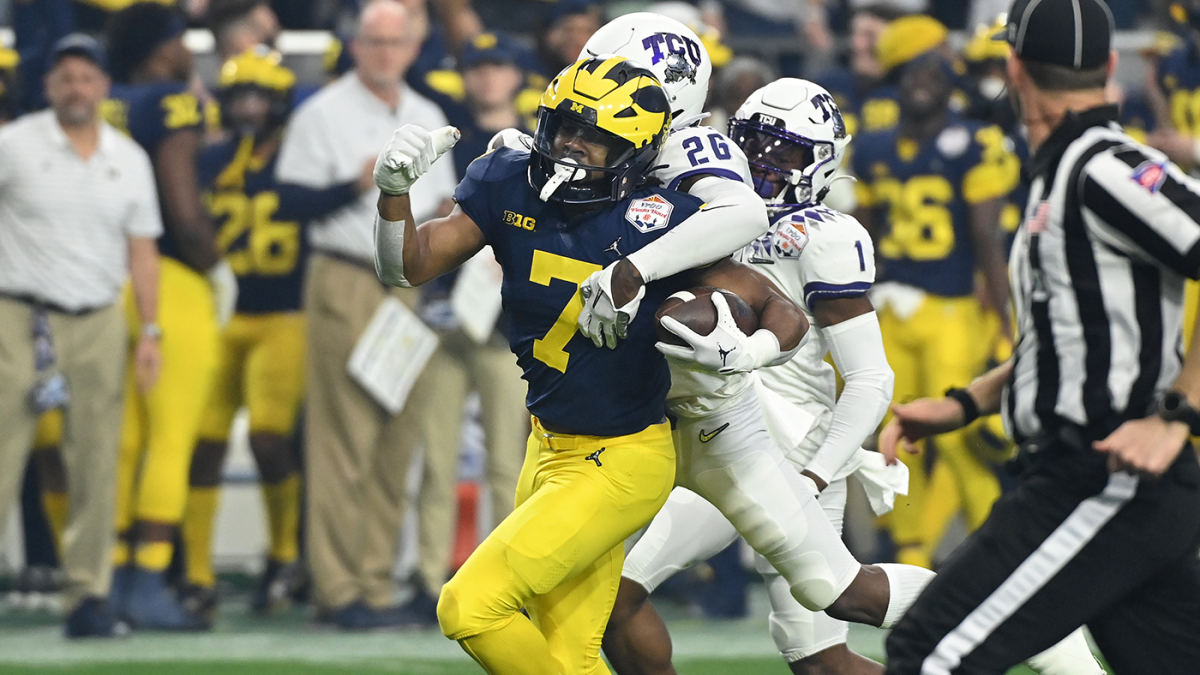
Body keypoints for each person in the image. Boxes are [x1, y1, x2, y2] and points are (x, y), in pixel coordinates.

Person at [601, 77, 1102, 675]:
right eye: (753, 142)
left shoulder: (821, 232)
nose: (761, 162)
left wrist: (815, 472)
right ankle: (1037, 623)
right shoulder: (704, 212)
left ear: (818, 163)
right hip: (712, 431)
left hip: (786, 446)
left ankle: (1037, 625)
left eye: (782, 151)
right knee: (821, 660)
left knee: (824, 613)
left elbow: (870, 380)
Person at [372, 55, 787, 675]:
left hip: (619, 459)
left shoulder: (659, 221)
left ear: (636, 150)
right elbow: (406, 265)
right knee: (568, 656)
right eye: (565, 125)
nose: (572, 144)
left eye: (596, 135)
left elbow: (778, 305)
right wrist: (394, 192)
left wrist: (745, 350)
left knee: (469, 606)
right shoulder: (507, 180)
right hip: (546, 445)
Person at [881, 0, 1200, 671]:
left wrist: (1176, 414)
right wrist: (967, 401)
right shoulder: (1065, 170)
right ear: (1109, 67)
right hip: (1105, 476)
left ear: (1014, 66)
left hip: (1105, 471)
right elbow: (1070, 336)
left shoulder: (1100, 167)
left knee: (926, 653)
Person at [274, 0, 457, 629]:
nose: (384, 51)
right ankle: (338, 586)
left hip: (410, 283)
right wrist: (359, 183)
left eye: (395, 41)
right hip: (347, 276)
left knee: (397, 438)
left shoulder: (427, 114)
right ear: (356, 46)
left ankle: (375, 584)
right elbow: (288, 201)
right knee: (341, 439)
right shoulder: (321, 112)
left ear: (411, 47)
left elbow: (446, 214)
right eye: (374, 40)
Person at [181, 46, 376, 622]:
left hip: (284, 313)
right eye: (238, 95)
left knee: (269, 436)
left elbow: (302, 203)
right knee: (205, 440)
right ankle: (195, 572)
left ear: (279, 102)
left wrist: (349, 185)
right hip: (223, 314)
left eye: (257, 96)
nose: (246, 107)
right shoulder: (212, 159)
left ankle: (284, 553)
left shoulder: (295, 157)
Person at [0, 33, 162, 638]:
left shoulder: (129, 157)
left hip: (98, 315)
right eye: (66, 76)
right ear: (47, 86)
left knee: (98, 460)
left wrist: (150, 329)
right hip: (19, 314)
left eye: (87, 77)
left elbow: (142, 252)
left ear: (104, 87)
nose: (77, 88)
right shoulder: (13, 145)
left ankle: (87, 594)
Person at [852, 49, 1019, 569]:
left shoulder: (971, 142)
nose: (920, 84)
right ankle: (911, 556)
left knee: (958, 436)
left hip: (951, 310)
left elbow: (986, 236)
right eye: (913, 75)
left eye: (934, 76)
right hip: (891, 306)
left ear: (951, 89)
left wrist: (1008, 321)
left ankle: (1001, 552)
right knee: (892, 434)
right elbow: (864, 230)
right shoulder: (875, 145)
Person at [103, 2, 236, 631]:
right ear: (164, 46)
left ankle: (107, 577)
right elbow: (181, 202)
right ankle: (150, 579)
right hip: (171, 278)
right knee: (169, 437)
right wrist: (212, 264)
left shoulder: (108, 101)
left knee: (123, 438)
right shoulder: (174, 102)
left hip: (108, 280)